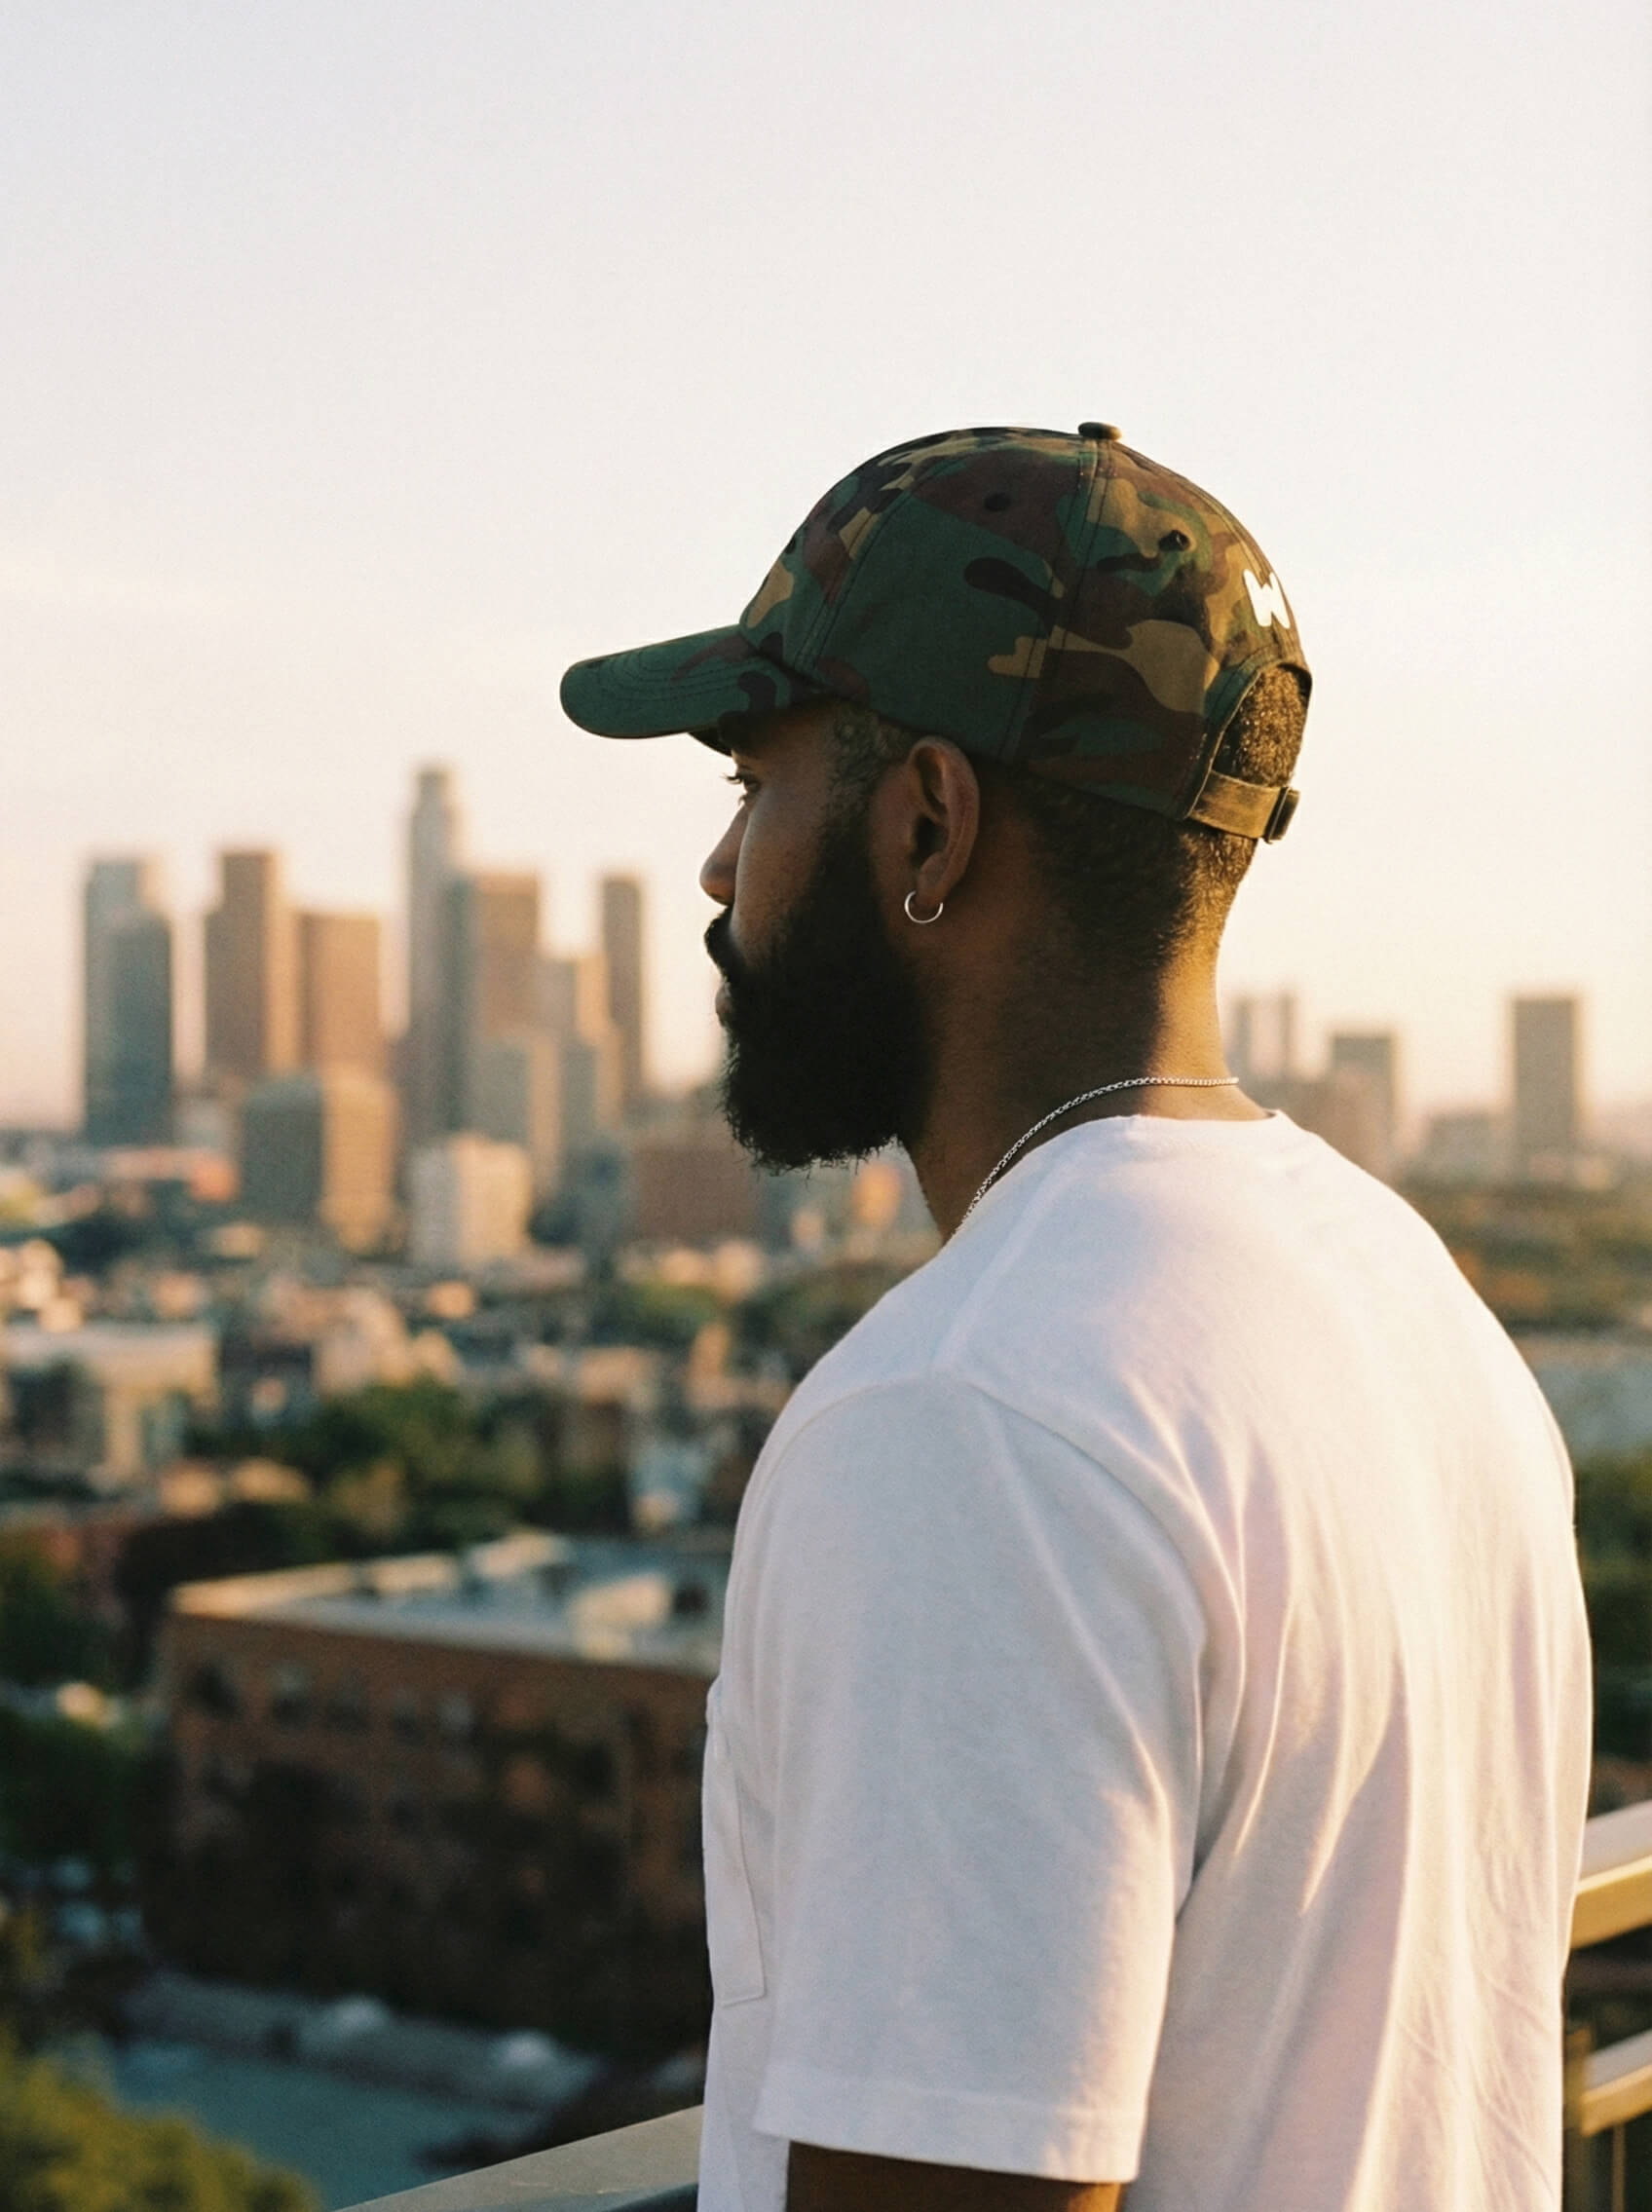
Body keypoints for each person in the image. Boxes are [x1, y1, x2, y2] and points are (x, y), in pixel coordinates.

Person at [560, 425, 1592, 2212]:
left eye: (753, 783)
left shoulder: (969, 1420)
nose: (722, 871)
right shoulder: (1409, 1300)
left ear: (928, 822)